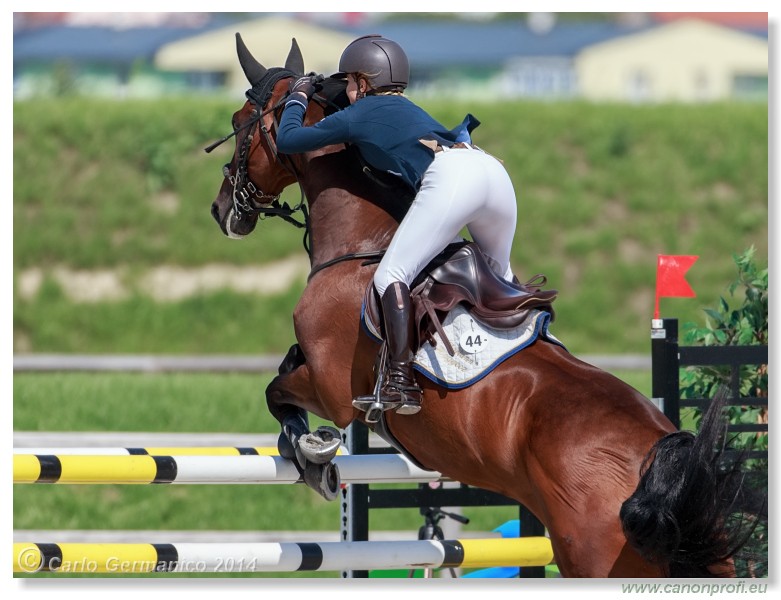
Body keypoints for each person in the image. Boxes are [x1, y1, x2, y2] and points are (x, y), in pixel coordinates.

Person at [277, 35, 519, 416]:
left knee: (391, 275)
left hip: (455, 176)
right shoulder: (410, 110)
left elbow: (289, 139)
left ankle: (400, 380)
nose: (348, 91)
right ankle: (539, 343)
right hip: (492, 171)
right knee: (501, 280)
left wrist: (298, 97)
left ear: (362, 83)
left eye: (350, 82)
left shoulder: (359, 113)